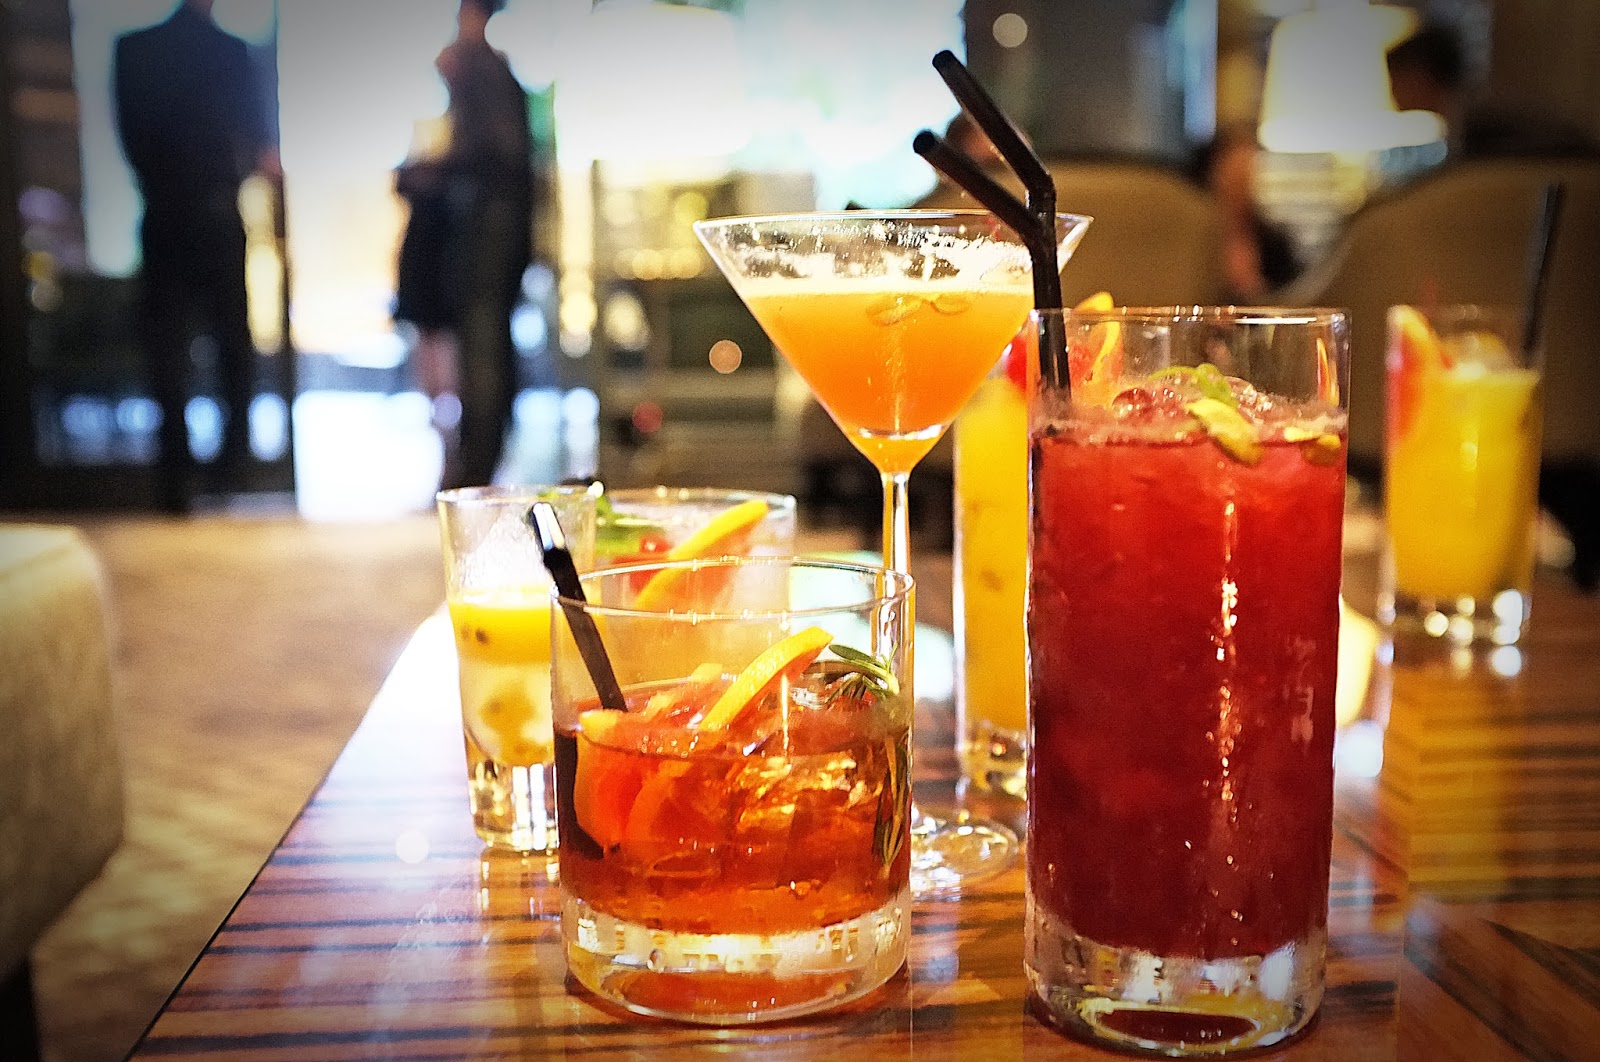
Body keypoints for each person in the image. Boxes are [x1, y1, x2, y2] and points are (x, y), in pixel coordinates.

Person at [113, 0, 278, 513]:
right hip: (211, 212)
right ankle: (229, 471)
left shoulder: (136, 51)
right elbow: (258, 140)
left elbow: (130, 134)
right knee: (228, 346)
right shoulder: (232, 54)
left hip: (166, 212)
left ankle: (178, 479)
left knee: (170, 349)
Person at [393, 0, 533, 490]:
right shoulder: (491, 71)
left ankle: (479, 466)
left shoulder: (483, 69)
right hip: (492, 236)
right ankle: (478, 461)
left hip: (488, 238)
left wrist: (432, 170)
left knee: (482, 347)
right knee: (484, 344)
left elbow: (494, 155)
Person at [1387, 22, 1600, 161]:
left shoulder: (1477, 124)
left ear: (1419, 76)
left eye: (1395, 80)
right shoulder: (1473, 113)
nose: (1392, 92)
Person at [1188, 124, 1301, 303]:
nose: (1243, 186)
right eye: (1234, 177)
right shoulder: (1189, 239)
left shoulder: (1275, 244)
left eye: (1248, 174)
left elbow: (1293, 296)